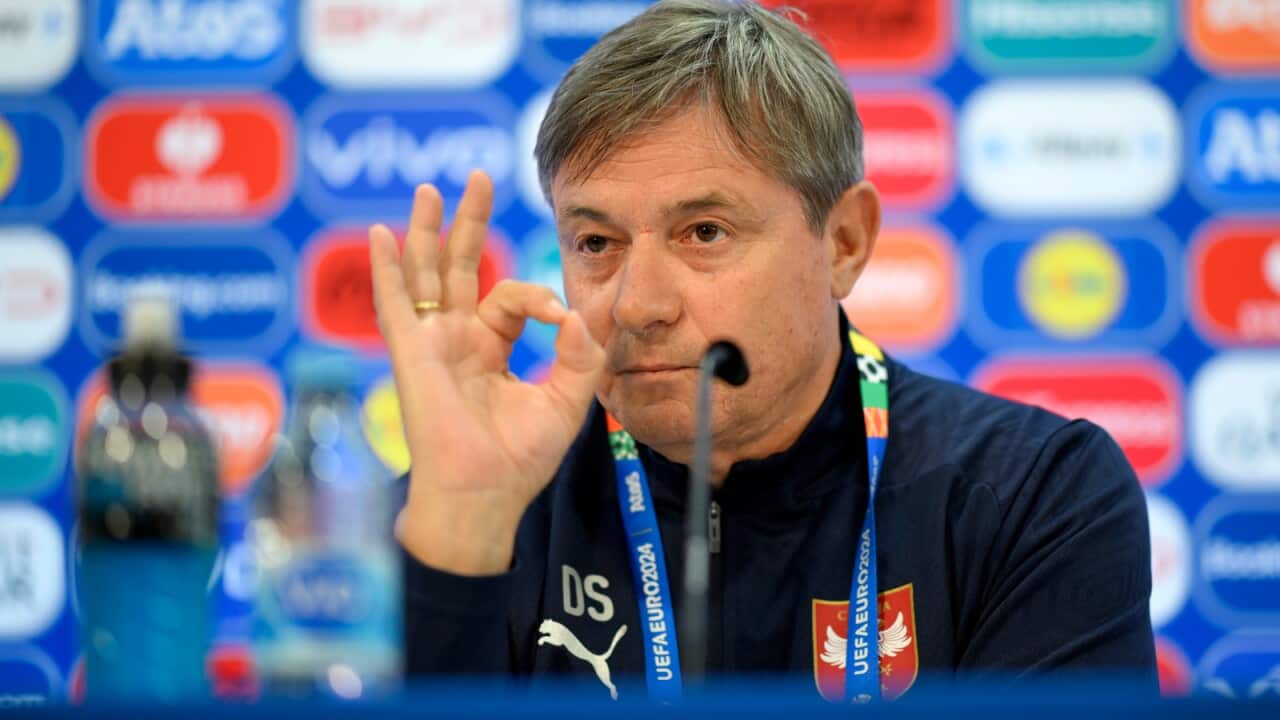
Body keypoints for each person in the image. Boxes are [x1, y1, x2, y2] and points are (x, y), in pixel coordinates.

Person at [366, 0, 1157, 702]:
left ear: (844, 242)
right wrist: (461, 537)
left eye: (704, 233)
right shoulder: (471, 506)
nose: (636, 305)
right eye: (596, 241)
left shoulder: (1031, 495)